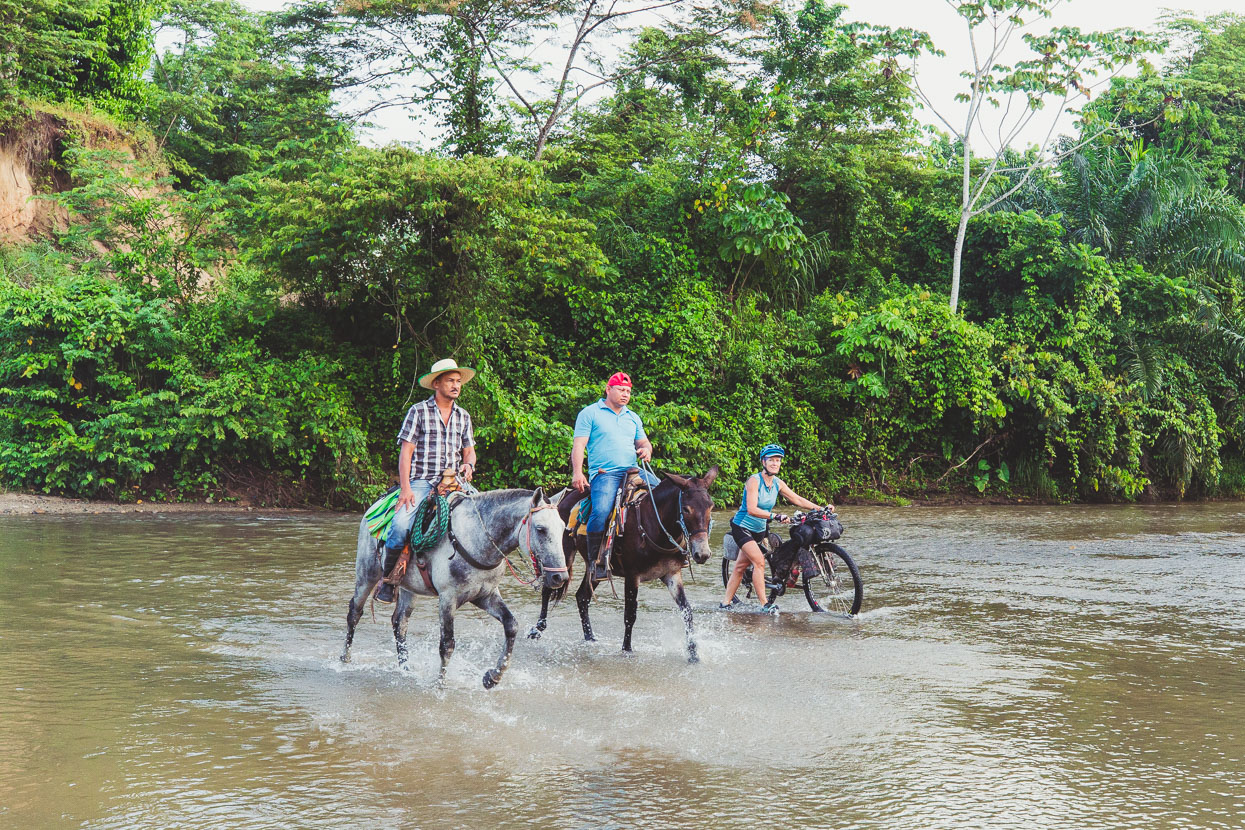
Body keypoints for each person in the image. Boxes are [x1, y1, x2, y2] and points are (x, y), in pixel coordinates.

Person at [375, 358, 478, 602]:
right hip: (422, 481)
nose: (456, 385)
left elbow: (469, 450)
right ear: (436, 384)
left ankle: (477, 576)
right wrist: (405, 489)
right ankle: (388, 581)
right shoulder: (418, 411)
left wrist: (469, 464)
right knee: (400, 527)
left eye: (458, 381)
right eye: (451, 381)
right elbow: (406, 453)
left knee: (484, 518)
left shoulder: (463, 416)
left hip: (454, 482)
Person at [720, 443, 828, 613]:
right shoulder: (754, 481)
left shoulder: (777, 483)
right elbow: (752, 509)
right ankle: (765, 605)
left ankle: (725, 603)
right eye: (771, 460)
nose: (775, 463)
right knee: (759, 562)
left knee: (740, 567)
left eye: (778, 460)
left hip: (759, 530)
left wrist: (820, 509)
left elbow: (797, 499)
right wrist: (775, 516)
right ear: (763, 462)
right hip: (742, 527)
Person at [571, 371, 658, 579]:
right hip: (605, 473)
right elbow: (579, 445)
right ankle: (596, 562)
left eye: (628, 391)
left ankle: (672, 552)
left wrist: (647, 450)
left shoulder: (632, 417)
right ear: (608, 389)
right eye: (621, 390)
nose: (625, 394)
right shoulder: (590, 413)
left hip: (633, 471)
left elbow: (644, 442)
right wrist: (578, 473)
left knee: (665, 496)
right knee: (600, 510)